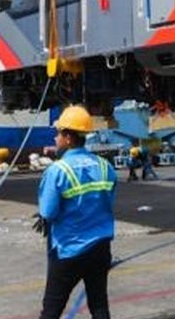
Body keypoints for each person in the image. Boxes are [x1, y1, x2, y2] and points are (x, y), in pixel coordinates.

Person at [35, 105, 116, 319]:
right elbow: (107, 202)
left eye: (58, 133)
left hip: (69, 250)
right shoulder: (105, 166)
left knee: (51, 310)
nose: (55, 138)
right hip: (100, 248)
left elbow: (48, 213)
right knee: (99, 305)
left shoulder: (58, 170)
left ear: (69, 138)